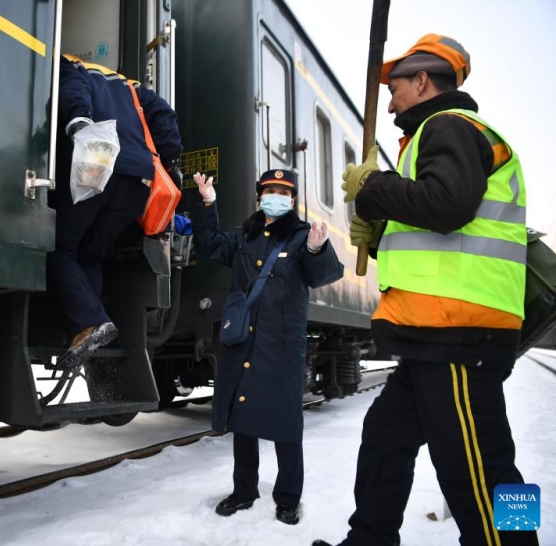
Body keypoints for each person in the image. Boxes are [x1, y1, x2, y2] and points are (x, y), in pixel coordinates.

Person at [313, 34, 538, 546]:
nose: (389, 101)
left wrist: (373, 189)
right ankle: (369, 538)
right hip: (435, 332)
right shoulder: (437, 135)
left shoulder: (449, 126)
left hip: (460, 331)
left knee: (485, 471)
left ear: (422, 81)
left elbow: (446, 206)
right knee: (385, 437)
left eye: (395, 88)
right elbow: (443, 222)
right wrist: (380, 221)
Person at [193, 169, 344, 525]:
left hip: (281, 345)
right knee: (244, 419)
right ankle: (244, 491)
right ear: (260, 196)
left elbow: (324, 274)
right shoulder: (245, 235)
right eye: (270, 190)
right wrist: (208, 204)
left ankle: (288, 497)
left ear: (292, 200)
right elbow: (210, 243)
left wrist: (317, 249)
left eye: (284, 192)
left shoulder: (303, 236)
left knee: (285, 423)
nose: (276, 196)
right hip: (244, 340)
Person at [48, 54, 183, 369]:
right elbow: (164, 114)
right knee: (91, 256)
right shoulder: (130, 86)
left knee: (58, 249)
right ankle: (87, 329)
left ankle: (89, 322)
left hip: (97, 162)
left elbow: (73, 87)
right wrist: (171, 160)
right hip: (138, 179)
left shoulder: (71, 65)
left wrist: (79, 121)